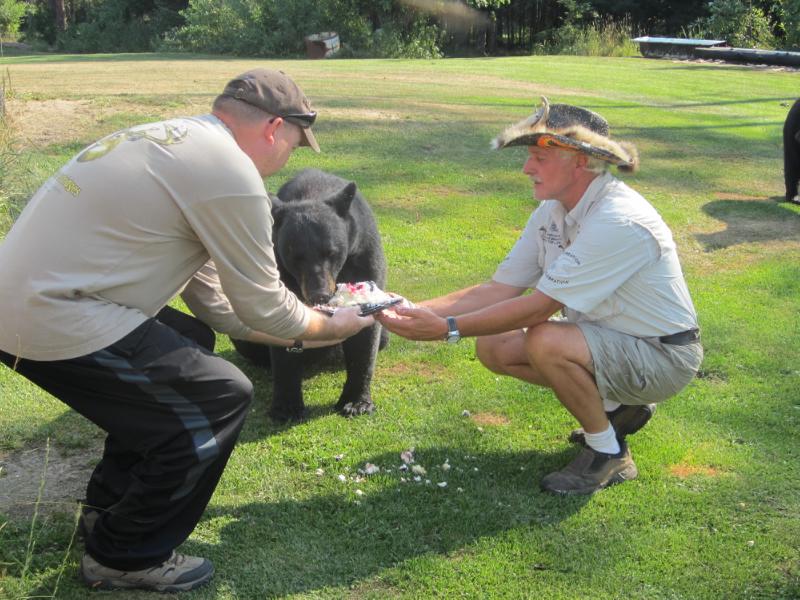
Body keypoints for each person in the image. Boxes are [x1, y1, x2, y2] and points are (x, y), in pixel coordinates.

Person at [0, 68, 374, 592]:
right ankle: (124, 555)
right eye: (294, 145)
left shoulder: (173, 141)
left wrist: (299, 331)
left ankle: (111, 507)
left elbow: (216, 305)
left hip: (29, 302)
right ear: (273, 128)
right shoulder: (231, 174)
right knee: (219, 396)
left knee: (192, 343)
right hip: (51, 315)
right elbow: (265, 306)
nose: (289, 159)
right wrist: (332, 327)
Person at [377, 97, 703, 496]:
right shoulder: (553, 209)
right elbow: (499, 290)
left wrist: (447, 329)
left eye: (539, 157)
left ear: (580, 162)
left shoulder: (618, 219)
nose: (527, 168)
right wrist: (404, 309)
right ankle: (617, 409)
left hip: (662, 356)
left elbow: (541, 307)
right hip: (611, 340)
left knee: (545, 339)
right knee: (494, 345)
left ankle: (608, 453)